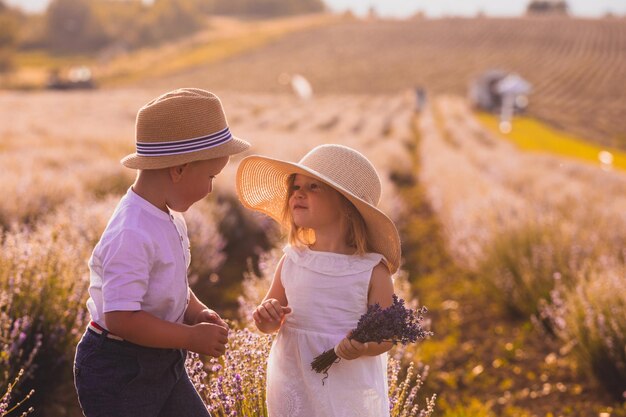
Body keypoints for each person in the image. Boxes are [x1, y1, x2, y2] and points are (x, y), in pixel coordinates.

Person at [74, 88, 250, 417]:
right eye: (210, 176)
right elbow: (121, 318)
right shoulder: (131, 232)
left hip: (163, 359)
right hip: (119, 370)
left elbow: (171, 283)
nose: (212, 188)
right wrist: (189, 337)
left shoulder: (168, 217)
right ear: (179, 169)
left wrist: (197, 312)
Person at [236, 144, 401, 417]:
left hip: (347, 383)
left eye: (313, 186)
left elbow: (386, 337)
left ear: (347, 205)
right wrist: (266, 317)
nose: (298, 193)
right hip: (293, 378)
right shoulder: (293, 260)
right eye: (296, 186)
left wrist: (363, 347)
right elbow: (268, 321)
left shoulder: (372, 270)